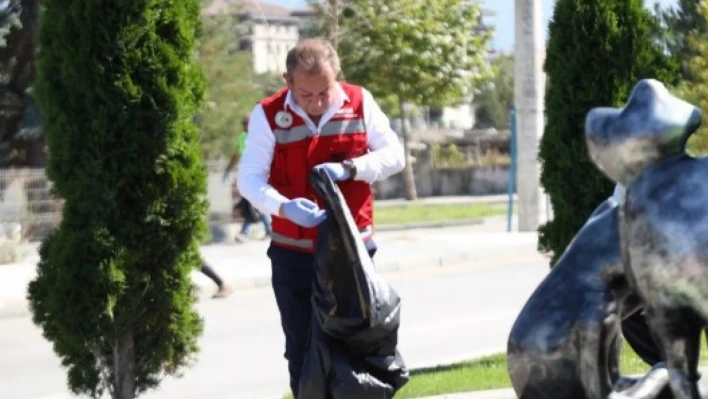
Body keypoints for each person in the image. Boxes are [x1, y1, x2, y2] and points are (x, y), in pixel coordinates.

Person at [236, 38, 405, 398]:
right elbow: (249, 180)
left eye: (324, 92)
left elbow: (395, 156)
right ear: (287, 81)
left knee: (358, 349)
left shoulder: (360, 102)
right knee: (301, 351)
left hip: (352, 255)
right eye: (305, 94)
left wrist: (351, 169)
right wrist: (284, 206)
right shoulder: (268, 115)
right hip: (293, 255)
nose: (315, 103)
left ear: (336, 76)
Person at [224, 113, 272, 241]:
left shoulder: (260, 136)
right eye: (243, 123)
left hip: (259, 175)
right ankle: (264, 231)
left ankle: (246, 232)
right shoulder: (243, 137)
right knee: (251, 203)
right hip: (247, 175)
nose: (245, 126)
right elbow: (237, 155)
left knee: (251, 202)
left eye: (247, 123)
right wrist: (227, 170)